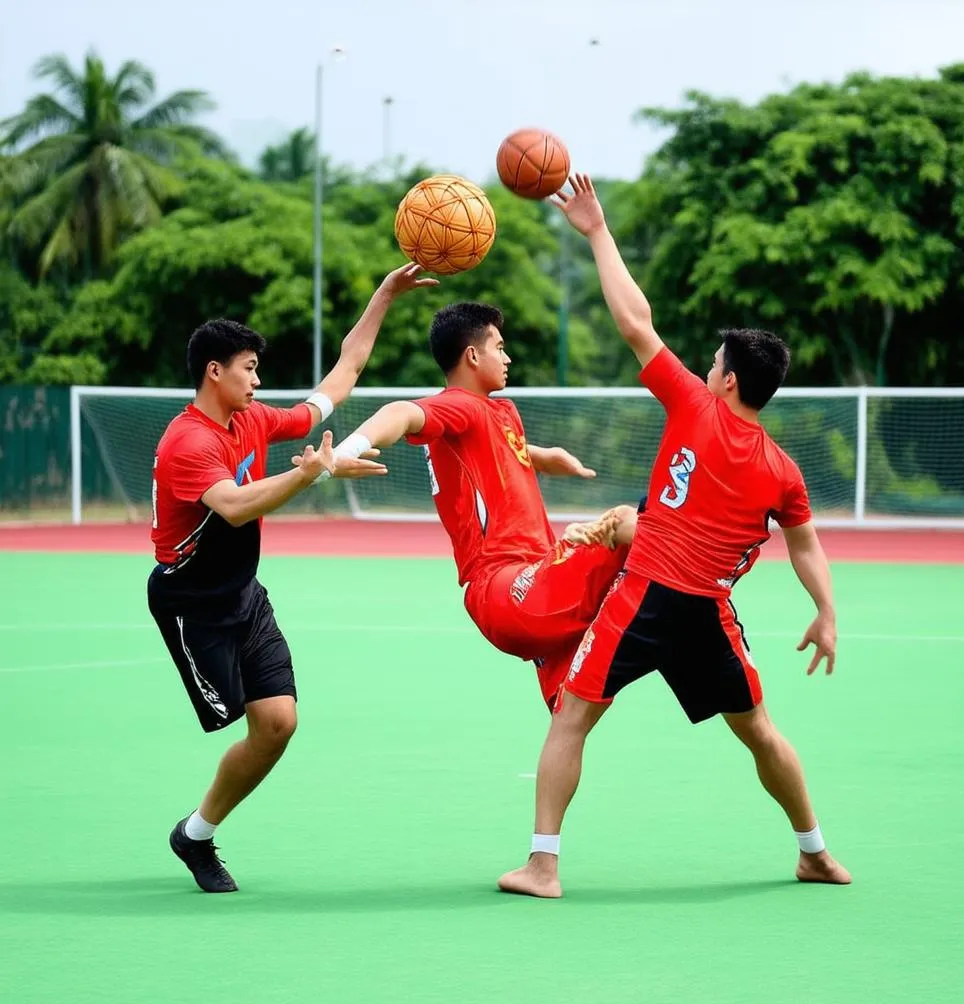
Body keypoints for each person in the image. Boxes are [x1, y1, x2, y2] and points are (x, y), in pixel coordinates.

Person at [497, 175, 850, 899]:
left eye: (715, 362)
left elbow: (634, 322)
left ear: (724, 381)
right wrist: (827, 612)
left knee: (572, 717)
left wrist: (597, 231)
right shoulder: (784, 471)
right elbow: (807, 547)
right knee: (759, 731)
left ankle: (543, 866)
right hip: (709, 615)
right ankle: (813, 851)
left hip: (645, 597)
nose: (707, 367)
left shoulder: (693, 404)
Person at [149, 263, 435, 893]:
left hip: (243, 593)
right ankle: (195, 830)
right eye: (248, 367)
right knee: (234, 719)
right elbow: (234, 505)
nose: (258, 378)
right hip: (191, 602)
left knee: (279, 723)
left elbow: (342, 379)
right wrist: (311, 475)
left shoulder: (252, 419)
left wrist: (383, 295)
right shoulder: (187, 444)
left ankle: (193, 834)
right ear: (214, 372)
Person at [318, 301, 637, 710]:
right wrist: (347, 450)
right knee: (626, 523)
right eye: (499, 347)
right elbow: (399, 412)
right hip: (510, 588)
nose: (507, 357)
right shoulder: (460, 405)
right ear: (472, 355)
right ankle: (697, 571)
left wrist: (541, 457)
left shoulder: (495, 412)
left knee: (571, 722)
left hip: (533, 583)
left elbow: (495, 447)